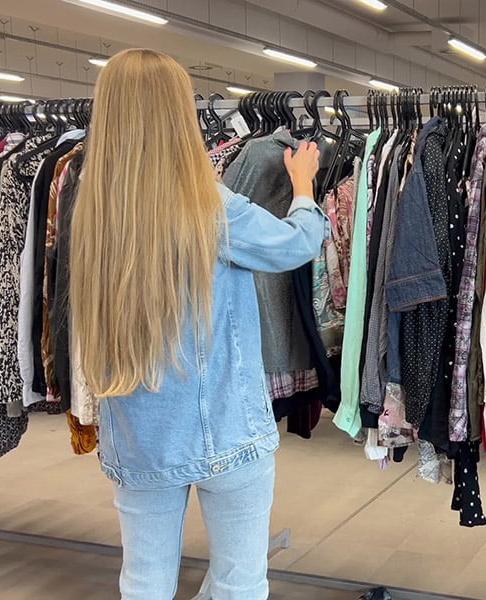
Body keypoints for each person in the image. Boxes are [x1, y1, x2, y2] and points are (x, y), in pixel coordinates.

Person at [69, 48, 326, 600]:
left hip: (139, 436)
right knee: (239, 581)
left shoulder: (95, 210)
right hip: (226, 428)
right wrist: (302, 185)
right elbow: (298, 244)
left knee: (143, 581)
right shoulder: (211, 205)